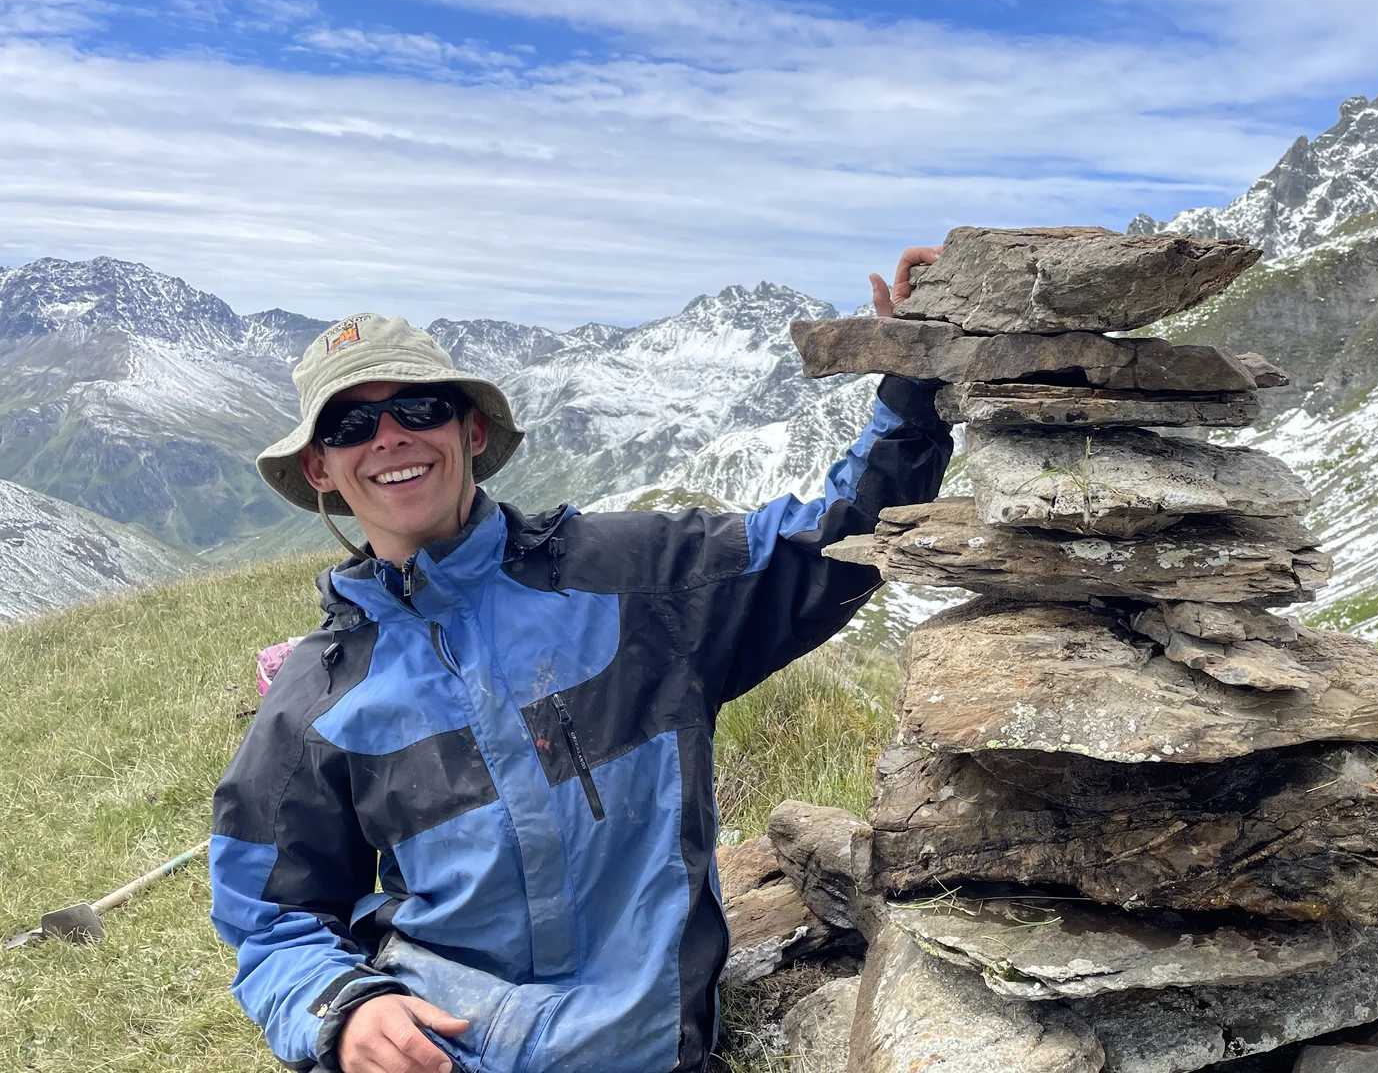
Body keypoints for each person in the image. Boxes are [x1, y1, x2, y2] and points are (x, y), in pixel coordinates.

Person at [209, 250, 951, 1073]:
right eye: (350, 426)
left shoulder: (643, 581)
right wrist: (345, 1010)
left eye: (418, 408)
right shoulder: (313, 697)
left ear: (471, 430)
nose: (389, 437)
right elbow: (268, 917)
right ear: (321, 469)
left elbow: (836, 542)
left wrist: (912, 385)